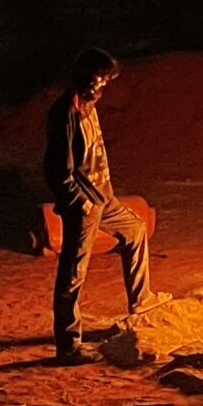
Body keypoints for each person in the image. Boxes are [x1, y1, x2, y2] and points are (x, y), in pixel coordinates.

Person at [42, 47, 163, 364]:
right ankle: (68, 346)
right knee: (73, 274)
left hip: (103, 198)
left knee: (135, 231)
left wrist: (103, 194)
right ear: (86, 78)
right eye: (101, 80)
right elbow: (56, 171)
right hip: (84, 205)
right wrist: (78, 203)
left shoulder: (88, 106)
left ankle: (142, 302)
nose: (104, 87)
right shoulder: (65, 114)